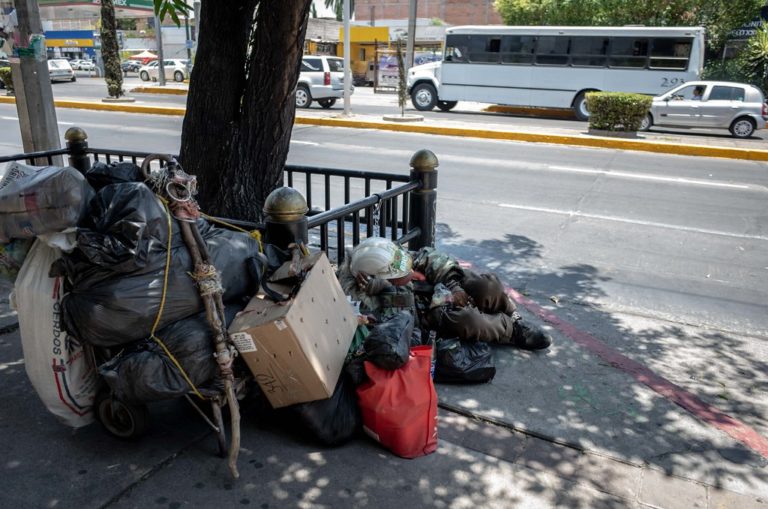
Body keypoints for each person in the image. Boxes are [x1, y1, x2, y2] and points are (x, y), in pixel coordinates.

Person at [337, 237, 552, 350]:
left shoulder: (382, 257)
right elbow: (403, 331)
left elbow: (425, 257)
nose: (409, 271)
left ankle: (513, 315)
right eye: (402, 274)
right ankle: (513, 331)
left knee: (487, 286)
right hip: (430, 313)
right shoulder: (365, 302)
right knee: (469, 320)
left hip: (441, 286)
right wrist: (389, 292)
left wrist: (454, 286)